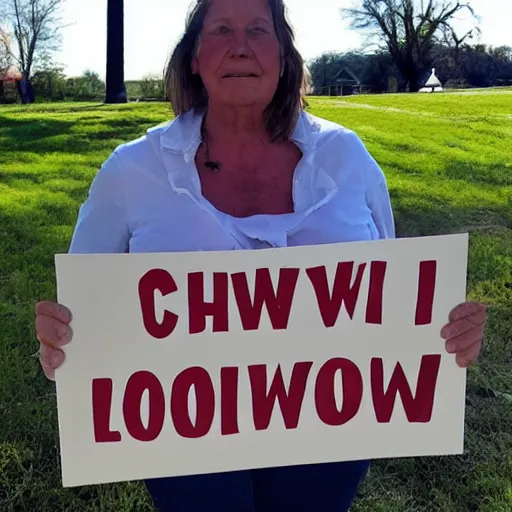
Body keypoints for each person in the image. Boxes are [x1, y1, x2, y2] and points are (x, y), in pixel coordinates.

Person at [34, 0, 488, 510]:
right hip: (183, 436)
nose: (241, 46)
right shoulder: (130, 172)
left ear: (283, 55)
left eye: (259, 30)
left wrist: (446, 333)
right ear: (194, 58)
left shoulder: (347, 159)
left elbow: (396, 302)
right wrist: (60, 341)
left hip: (330, 426)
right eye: (222, 29)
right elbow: (81, 318)